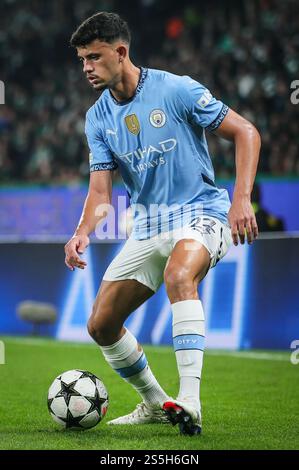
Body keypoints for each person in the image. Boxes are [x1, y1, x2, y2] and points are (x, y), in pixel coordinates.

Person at [64, 12, 261, 436]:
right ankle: (156, 402)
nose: (86, 68)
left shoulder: (176, 89)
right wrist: (82, 232)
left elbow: (246, 132)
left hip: (202, 213)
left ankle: (190, 400)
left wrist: (241, 200)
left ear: (121, 52)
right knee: (100, 324)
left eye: (94, 58)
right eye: (82, 60)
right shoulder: (97, 118)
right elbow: (101, 195)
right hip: (148, 226)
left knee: (178, 275)